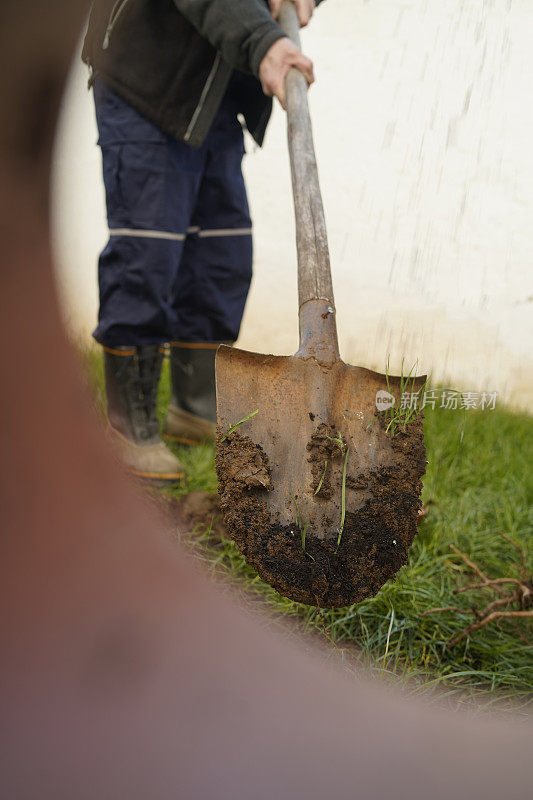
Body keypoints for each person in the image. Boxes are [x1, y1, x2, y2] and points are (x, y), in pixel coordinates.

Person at [82, 0, 319, 482]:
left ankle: (194, 408)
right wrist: (263, 40)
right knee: (149, 253)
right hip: (148, 76)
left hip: (218, 96)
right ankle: (130, 425)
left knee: (221, 256)